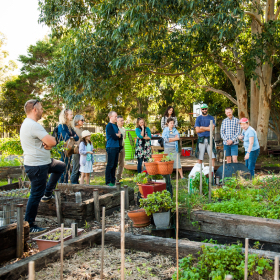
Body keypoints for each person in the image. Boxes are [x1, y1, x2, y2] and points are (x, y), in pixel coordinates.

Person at [20, 99, 66, 234]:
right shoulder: (33, 125)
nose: (42, 111)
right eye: (40, 108)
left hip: (44, 162)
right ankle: (29, 224)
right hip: (37, 165)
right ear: (34, 109)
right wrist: (50, 143)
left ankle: (47, 193)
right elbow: (52, 140)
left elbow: (49, 142)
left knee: (60, 166)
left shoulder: (28, 124)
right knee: (35, 194)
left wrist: (48, 143)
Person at [57, 109, 79, 183]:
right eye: (71, 114)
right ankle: (61, 186)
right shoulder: (61, 126)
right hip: (63, 151)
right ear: (65, 116)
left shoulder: (69, 127)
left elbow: (77, 137)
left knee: (67, 169)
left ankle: (65, 186)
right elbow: (66, 137)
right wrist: (72, 136)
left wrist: (72, 137)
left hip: (69, 150)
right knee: (63, 169)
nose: (72, 116)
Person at [105, 111, 122, 186]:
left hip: (116, 147)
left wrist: (118, 135)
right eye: (115, 116)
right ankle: (108, 181)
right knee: (110, 165)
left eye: (117, 116)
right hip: (111, 147)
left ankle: (113, 180)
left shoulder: (115, 126)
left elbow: (120, 136)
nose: (116, 118)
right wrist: (117, 135)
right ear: (110, 117)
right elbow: (115, 137)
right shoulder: (109, 126)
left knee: (115, 165)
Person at [70, 115, 84, 184]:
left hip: (81, 151)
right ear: (77, 120)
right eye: (82, 120)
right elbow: (72, 141)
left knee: (79, 169)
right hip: (76, 151)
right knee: (75, 168)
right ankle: (73, 184)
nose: (83, 121)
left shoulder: (81, 130)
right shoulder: (74, 130)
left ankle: (76, 183)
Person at [116, 115, 126, 182]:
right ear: (117, 121)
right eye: (121, 120)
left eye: (123, 120)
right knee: (116, 162)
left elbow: (124, 138)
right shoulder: (116, 129)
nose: (123, 122)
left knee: (122, 163)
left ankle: (119, 176)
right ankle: (114, 177)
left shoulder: (124, 129)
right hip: (117, 147)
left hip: (123, 147)